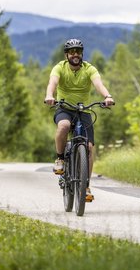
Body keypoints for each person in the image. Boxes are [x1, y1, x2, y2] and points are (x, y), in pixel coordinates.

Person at [44, 38, 114, 202]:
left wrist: (107, 96)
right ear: (66, 54)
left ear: (82, 54)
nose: (76, 54)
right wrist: (49, 95)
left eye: (78, 51)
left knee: (89, 147)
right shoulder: (59, 67)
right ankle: (60, 158)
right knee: (63, 126)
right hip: (64, 107)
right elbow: (52, 83)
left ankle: (86, 185)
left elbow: (98, 84)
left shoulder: (89, 68)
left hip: (84, 110)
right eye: (72, 52)